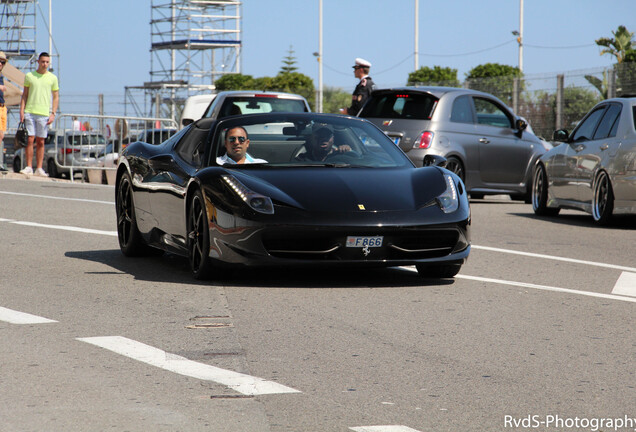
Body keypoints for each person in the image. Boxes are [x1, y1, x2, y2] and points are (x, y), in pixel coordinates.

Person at [19, 52, 59, 176]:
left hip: (44, 113)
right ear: (38, 62)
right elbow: (24, 95)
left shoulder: (52, 78)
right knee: (30, 139)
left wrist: (53, 113)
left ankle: (40, 168)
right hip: (30, 111)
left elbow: (56, 96)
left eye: (47, 62)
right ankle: (29, 166)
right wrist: (22, 110)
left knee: (41, 141)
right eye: (43, 62)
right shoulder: (30, 76)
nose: (45, 64)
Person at [0, 51, 7, 171]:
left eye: (2, 62)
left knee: (1, 136)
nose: (0, 64)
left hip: (2, 106)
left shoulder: (1, 76)